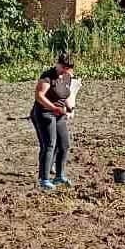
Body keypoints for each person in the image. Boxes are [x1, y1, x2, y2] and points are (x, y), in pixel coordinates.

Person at [31, 55, 76, 190]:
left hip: (59, 114)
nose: (64, 71)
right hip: (45, 113)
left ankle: (59, 176)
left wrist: (70, 108)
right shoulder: (47, 76)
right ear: (58, 64)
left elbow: (65, 95)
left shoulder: (67, 77)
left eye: (67, 69)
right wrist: (54, 108)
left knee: (64, 144)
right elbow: (39, 96)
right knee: (50, 144)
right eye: (63, 68)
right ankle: (44, 179)